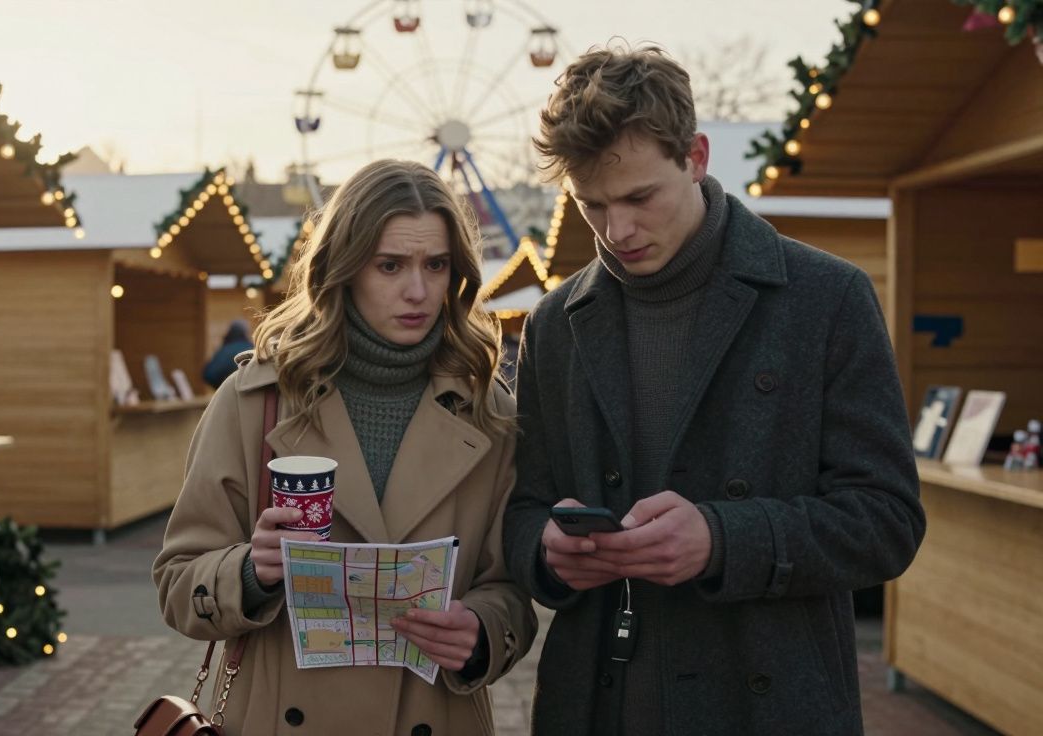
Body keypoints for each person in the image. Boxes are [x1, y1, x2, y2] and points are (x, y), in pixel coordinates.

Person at [502, 45, 925, 736]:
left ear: (696, 157)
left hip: (768, 706)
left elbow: (887, 520)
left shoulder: (827, 298)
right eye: (591, 205)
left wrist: (723, 540)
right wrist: (546, 551)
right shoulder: (554, 324)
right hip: (597, 704)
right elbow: (524, 506)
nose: (617, 230)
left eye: (640, 197)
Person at [154, 159, 536, 735]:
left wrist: (480, 632)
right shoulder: (254, 400)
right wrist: (252, 571)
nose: (417, 291)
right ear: (345, 267)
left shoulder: (490, 411)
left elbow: (512, 590)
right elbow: (178, 582)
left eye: (435, 265)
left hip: (433, 711)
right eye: (390, 265)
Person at [202, 319, 253, 390]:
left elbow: (209, 374)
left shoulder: (223, 350)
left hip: (227, 392)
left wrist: (222, 388)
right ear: (245, 332)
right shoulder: (251, 348)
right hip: (247, 392)